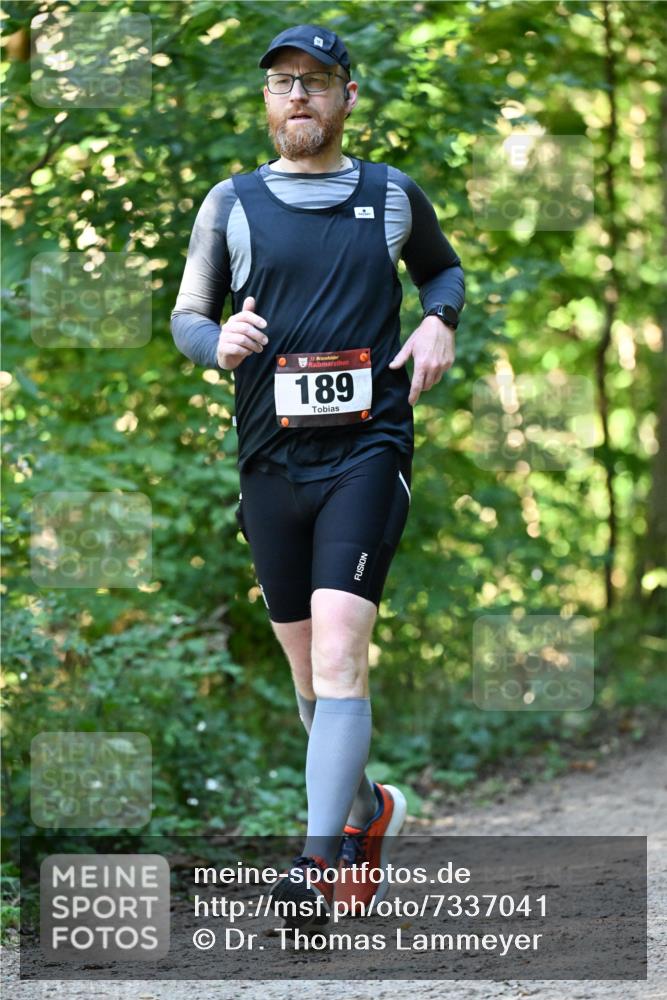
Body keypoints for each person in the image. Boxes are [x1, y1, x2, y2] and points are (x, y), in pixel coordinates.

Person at [171, 23, 465, 929]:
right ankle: (367, 809)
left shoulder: (389, 195)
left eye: (315, 79)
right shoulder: (230, 203)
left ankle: (313, 864)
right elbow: (188, 316)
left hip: (367, 452)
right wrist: (216, 342)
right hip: (270, 462)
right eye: (281, 82)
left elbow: (442, 273)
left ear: (346, 95)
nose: (296, 94)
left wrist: (438, 321)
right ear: (267, 100)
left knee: (340, 653)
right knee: (309, 679)